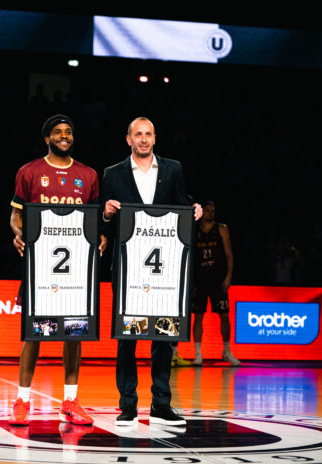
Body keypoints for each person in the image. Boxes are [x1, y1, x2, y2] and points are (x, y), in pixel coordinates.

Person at [100, 116, 201, 426]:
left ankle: (161, 404)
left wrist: (194, 211)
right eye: (138, 134)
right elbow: (103, 222)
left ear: (155, 138)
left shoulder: (173, 169)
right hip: (128, 268)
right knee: (126, 337)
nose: (143, 139)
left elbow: (180, 209)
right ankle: (127, 405)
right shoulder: (112, 174)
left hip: (164, 270)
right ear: (128, 139)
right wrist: (105, 214)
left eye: (148, 134)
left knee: (164, 335)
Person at [8, 114, 106, 426]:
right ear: (47, 138)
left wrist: (101, 237)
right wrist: (19, 234)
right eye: (58, 132)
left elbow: (93, 220)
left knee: (74, 332)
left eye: (68, 132)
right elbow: (15, 217)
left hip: (75, 270)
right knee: (34, 333)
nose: (64, 136)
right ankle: (22, 400)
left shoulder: (88, 175)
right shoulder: (29, 171)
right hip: (41, 266)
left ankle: (70, 401)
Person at [189, 200, 239, 367]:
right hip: (200, 279)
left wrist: (228, 277)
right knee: (198, 317)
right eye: (208, 210)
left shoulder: (221, 229)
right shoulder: (194, 229)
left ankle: (226, 351)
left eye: (213, 210)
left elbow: (229, 255)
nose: (211, 213)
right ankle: (198, 354)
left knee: (224, 315)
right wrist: (191, 281)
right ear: (202, 211)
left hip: (218, 279)